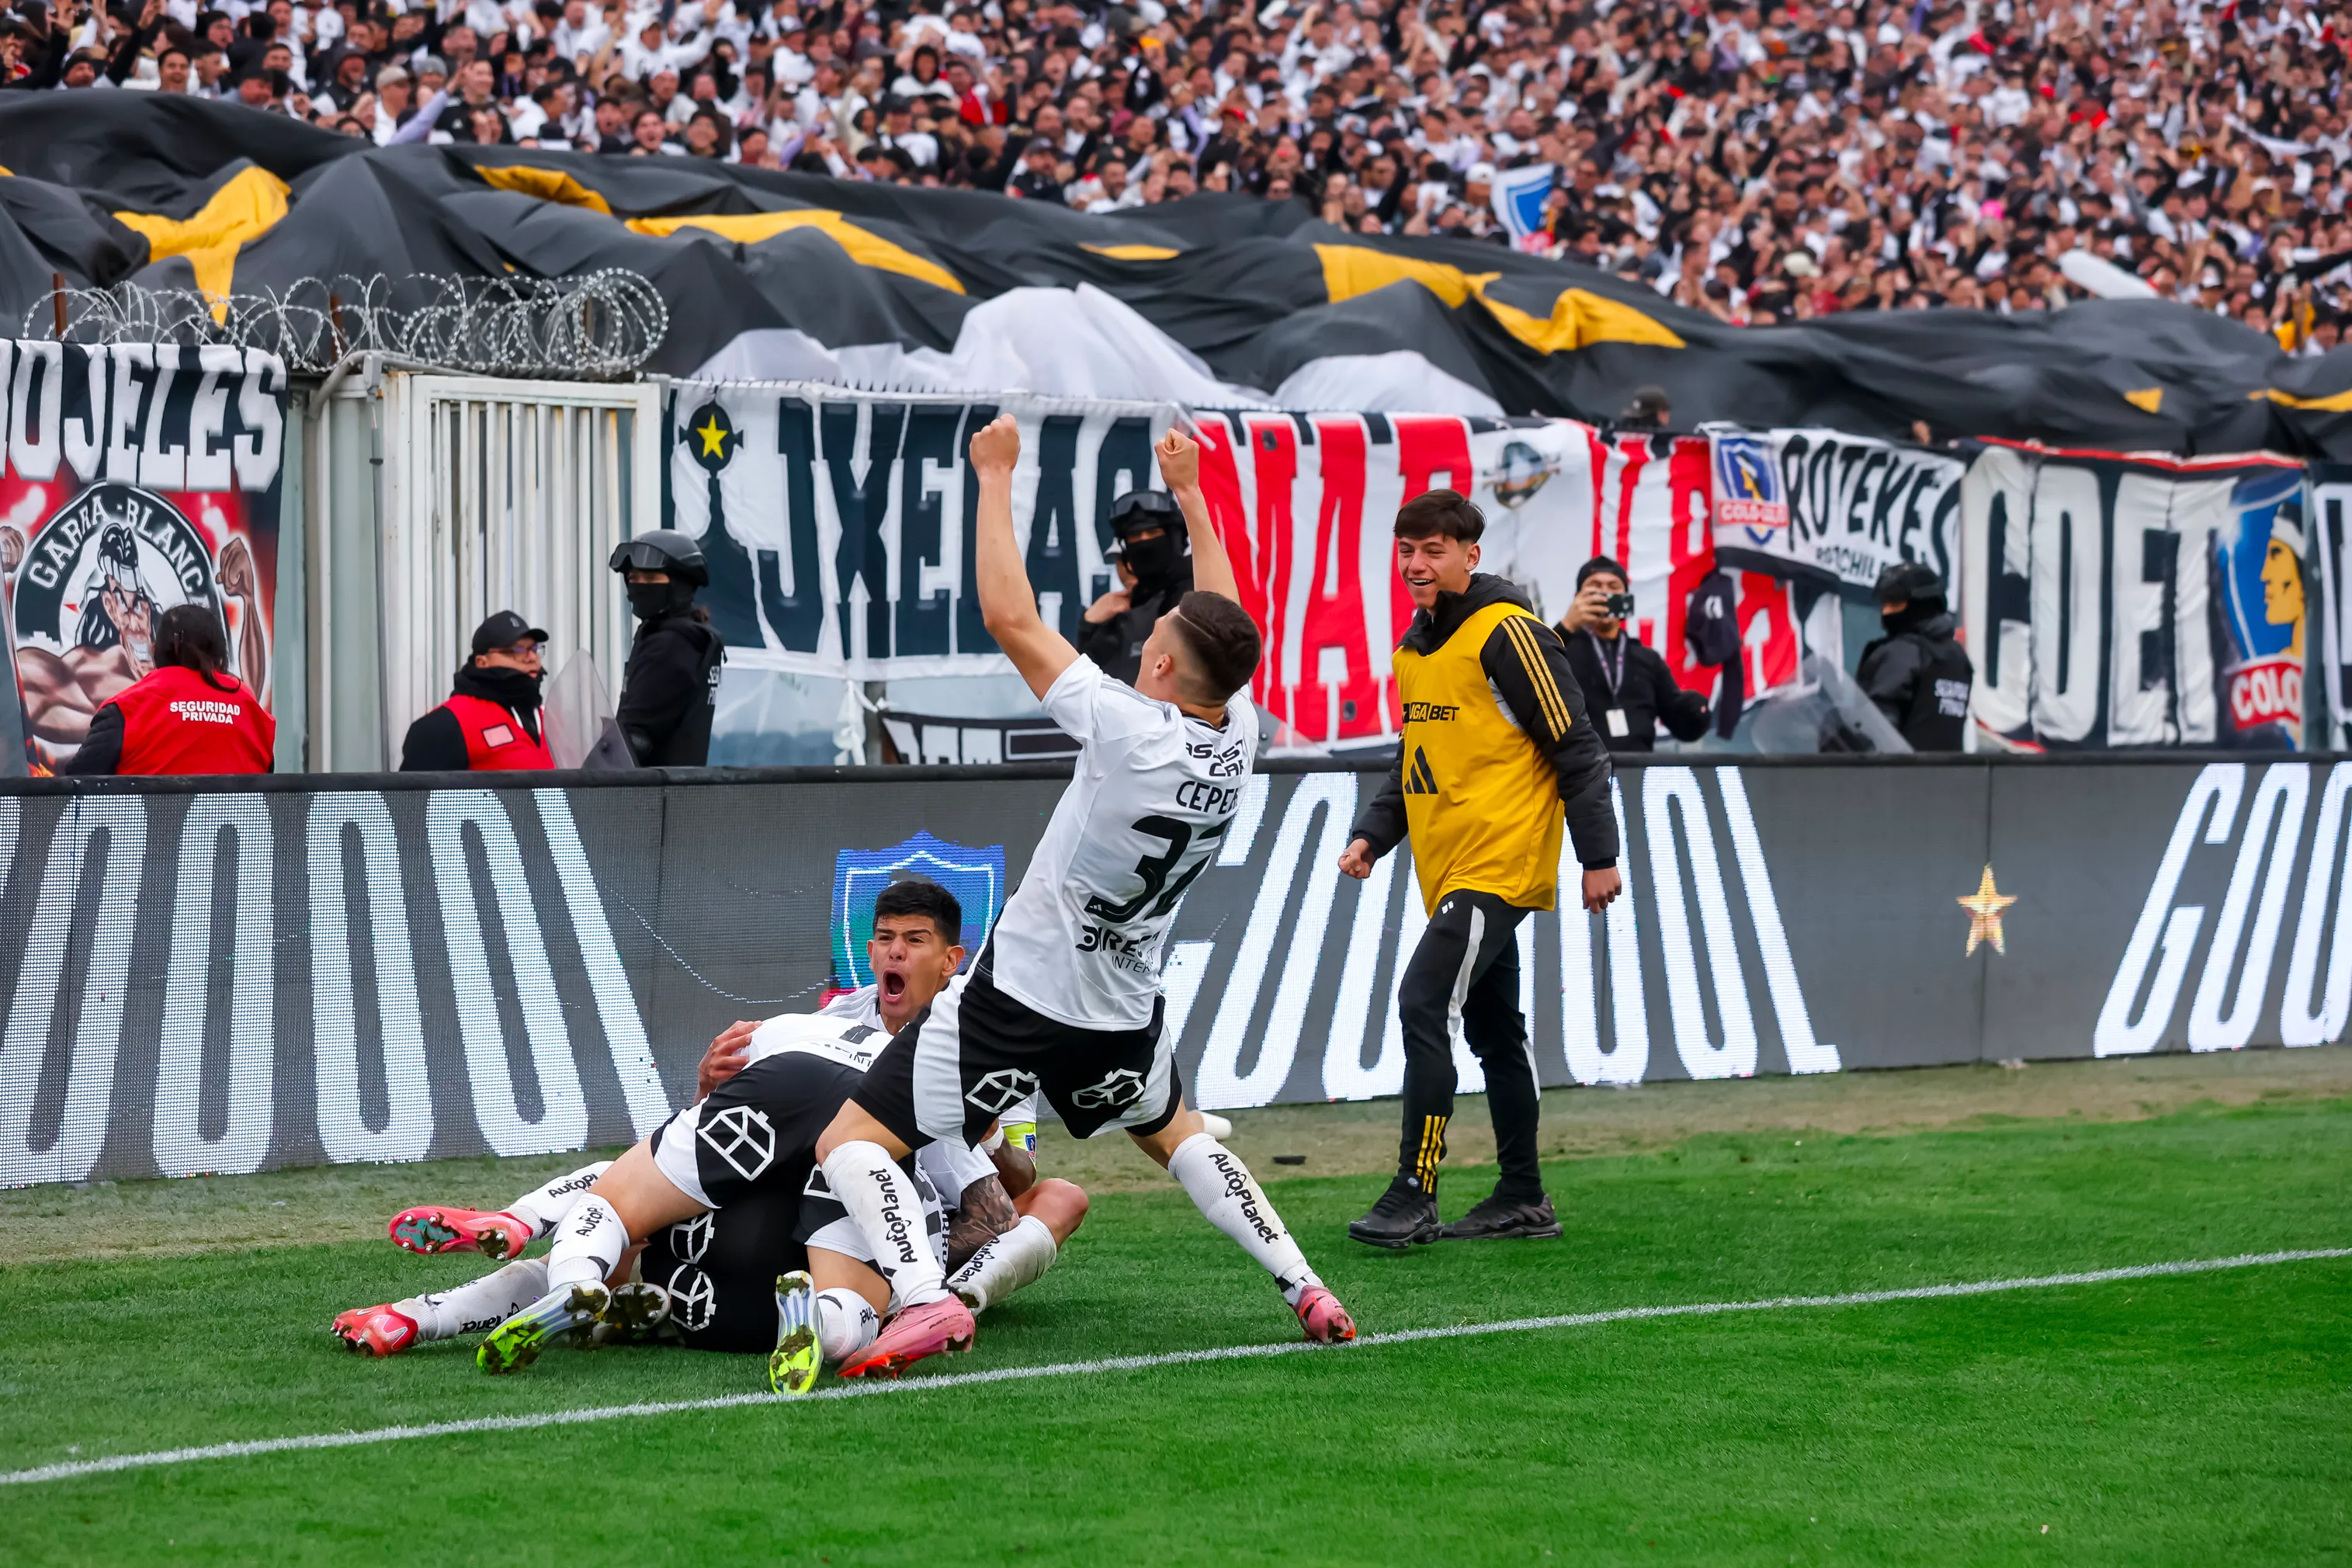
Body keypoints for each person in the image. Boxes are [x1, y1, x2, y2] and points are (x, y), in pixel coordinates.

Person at [795, 419, 1352, 1379]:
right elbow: (1222, 611)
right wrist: (1191, 495)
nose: (1149, 640)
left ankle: (926, 1300)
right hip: (1124, 1005)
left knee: (848, 1139)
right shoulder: (1242, 730)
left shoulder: (1130, 728)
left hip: (1018, 999)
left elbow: (1011, 616)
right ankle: (1303, 1282)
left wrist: (995, 474)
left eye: (1161, 635)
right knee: (1176, 1133)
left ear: (1168, 665)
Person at [339, 879, 1088, 1388]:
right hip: (822, 1207)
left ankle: (498, 1279)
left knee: (624, 1222)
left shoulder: (968, 1053)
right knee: (847, 1298)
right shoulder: (829, 1026)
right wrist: (706, 1093)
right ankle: (902, 1305)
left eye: (913, 941)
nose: (892, 952)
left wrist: (985, 1138)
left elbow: (1003, 1198)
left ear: (951, 959)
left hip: (751, 1239)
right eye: (884, 937)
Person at [1337, 490, 1621, 1248]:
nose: (1417, 564)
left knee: (1422, 1000)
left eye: (1433, 549)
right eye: (1406, 551)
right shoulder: (1416, 647)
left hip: (1500, 859)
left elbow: (1577, 745)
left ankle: (1415, 1189)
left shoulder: (1508, 631)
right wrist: (1373, 833)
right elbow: (1414, 759)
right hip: (1452, 863)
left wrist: (1599, 855)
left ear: (1471, 554)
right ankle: (1524, 1195)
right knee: (1497, 1031)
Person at [61, 605, 272, 776]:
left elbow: (74, 786)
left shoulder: (127, 709)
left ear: (156, 651)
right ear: (219, 653)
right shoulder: (253, 713)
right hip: (237, 828)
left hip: (149, 829)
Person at [1556, 556, 1709, 752]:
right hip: (1578, 773)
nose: (1605, 593)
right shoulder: (1559, 650)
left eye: (1614, 587)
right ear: (1578, 597)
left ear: (1626, 598)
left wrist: (1696, 711)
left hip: (1636, 773)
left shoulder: (1647, 659)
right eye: (1594, 586)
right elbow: (1527, 675)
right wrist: (1567, 626)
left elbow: (1681, 724)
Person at [609, 530, 724, 766]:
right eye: (633, 578)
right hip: (676, 791)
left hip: (653, 795)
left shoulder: (672, 644)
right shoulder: (694, 636)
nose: (639, 586)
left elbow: (636, 736)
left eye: (651, 580)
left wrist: (592, 773)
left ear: (680, 584)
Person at [399, 611, 553, 771]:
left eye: (534, 649)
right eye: (518, 650)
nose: (532, 658)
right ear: (482, 662)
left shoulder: (551, 721)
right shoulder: (448, 724)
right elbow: (413, 794)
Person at [1077, 487, 1192, 687]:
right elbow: (1085, 685)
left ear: (1174, 539)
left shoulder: (1198, 593)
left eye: (1153, 532)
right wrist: (1089, 625)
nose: (1144, 542)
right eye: (1134, 537)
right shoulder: (1118, 615)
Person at [1855, 562, 1972, 751]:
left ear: (1923, 603)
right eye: (1885, 604)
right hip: (1948, 776)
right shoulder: (1958, 658)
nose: (1886, 612)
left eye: (1895, 603)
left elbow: (1878, 728)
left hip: (1899, 776)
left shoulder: (1902, 652)